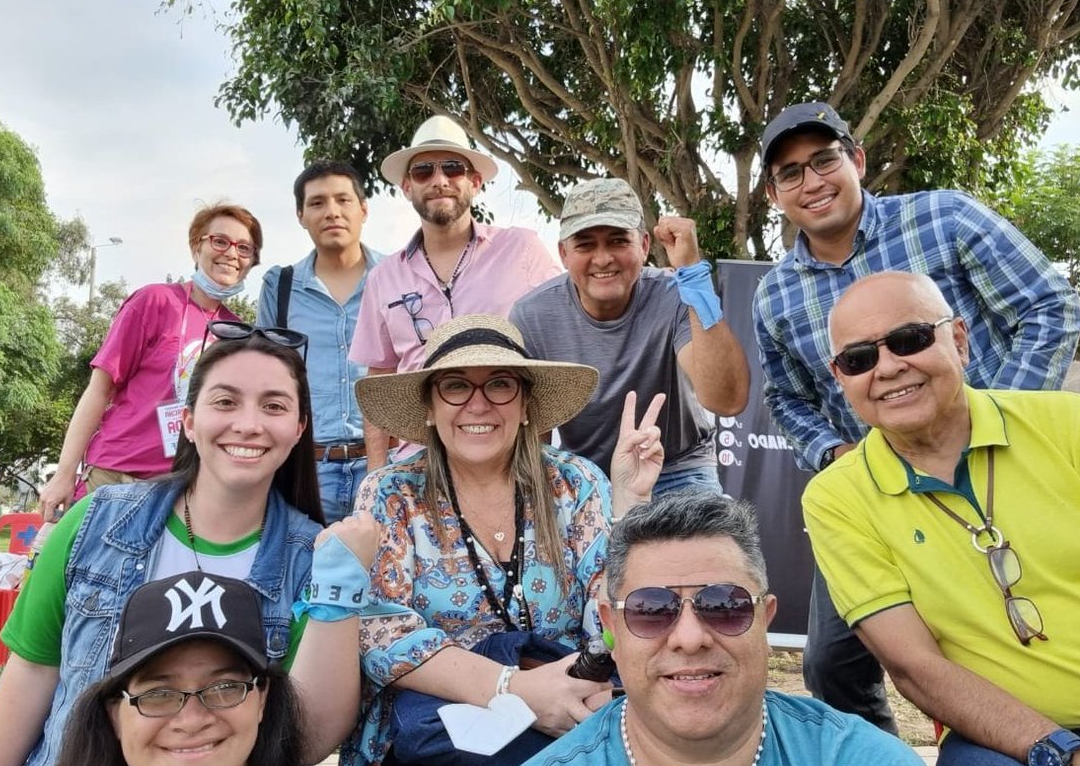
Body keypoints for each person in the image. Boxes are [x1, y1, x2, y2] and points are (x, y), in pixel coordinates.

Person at [752, 101, 1080, 732]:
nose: (812, 181)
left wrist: (994, 420)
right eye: (790, 173)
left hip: (996, 475)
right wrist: (832, 454)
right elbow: (787, 398)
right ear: (775, 194)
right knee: (830, 665)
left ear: (856, 160)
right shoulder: (776, 293)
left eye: (824, 160)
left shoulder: (945, 218)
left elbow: (1050, 307)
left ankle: (1048, 754)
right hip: (876, 497)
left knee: (1020, 635)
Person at [0, 327, 369, 766]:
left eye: (274, 406)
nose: (248, 424)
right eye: (226, 401)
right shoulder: (94, 522)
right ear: (190, 423)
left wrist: (338, 593)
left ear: (300, 428)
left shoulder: (314, 560)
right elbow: (33, 671)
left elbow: (308, 740)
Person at [802, 271, 1080, 766]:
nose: (888, 366)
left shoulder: (1074, 425)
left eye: (911, 339)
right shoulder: (837, 498)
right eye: (859, 358)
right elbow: (915, 668)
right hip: (1011, 745)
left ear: (960, 340)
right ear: (840, 378)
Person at [330, 314, 664, 766]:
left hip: (569, 705)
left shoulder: (574, 483)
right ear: (431, 408)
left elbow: (614, 616)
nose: (478, 404)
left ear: (526, 405)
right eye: (456, 386)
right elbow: (381, 636)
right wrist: (514, 689)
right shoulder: (392, 493)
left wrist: (630, 505)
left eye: (500, 385)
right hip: (433, 727)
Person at [492, 493, 954, 766]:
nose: (690, 638)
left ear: (765, 620)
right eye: (651, 610)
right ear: (612, 630)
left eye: (725, 606)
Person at [0, 571, 348, 766]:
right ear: (115, 714)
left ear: (262, 700)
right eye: (158, 694)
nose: (192, 720)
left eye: (225, 687)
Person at [511, 178, 749, 495]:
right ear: (563, 254)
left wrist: (693, 273)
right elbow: (535, 438)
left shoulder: (677, 294)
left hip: (678, 469)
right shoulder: (532, 316)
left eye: (618, 241)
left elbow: (727, 399)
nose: (603, 258)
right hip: (586, 476)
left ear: (644, 246)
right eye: (585, 244)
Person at [350, 115, 560, 469]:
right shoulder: (383, 277)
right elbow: (380, 376)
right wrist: (375, 474)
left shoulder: (522, 250)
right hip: (418, 458)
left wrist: (537, 461)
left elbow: (551, 356)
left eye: (452, 168)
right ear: (406, 186)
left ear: (475, 182)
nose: (439, 180)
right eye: (423, 172)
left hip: (507, 450)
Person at [38, 205, 265, 523]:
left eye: (244, 248)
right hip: (114, 475)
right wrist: (64, 474)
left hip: (178, 487)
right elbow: (99, 390)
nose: (231, 253)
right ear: (196, 245)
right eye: (220, 241)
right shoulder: (154, 301)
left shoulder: (238, 334)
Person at [257, 161, 386, 523]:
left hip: (388, 464)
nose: (332, 212)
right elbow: (264, 376)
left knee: (390, 576)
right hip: (308, 470)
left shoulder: (396, 277)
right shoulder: (280, 286)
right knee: (305, 575)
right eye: (316, 203)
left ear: (363, 209)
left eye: (343, 200)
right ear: (300, 215)